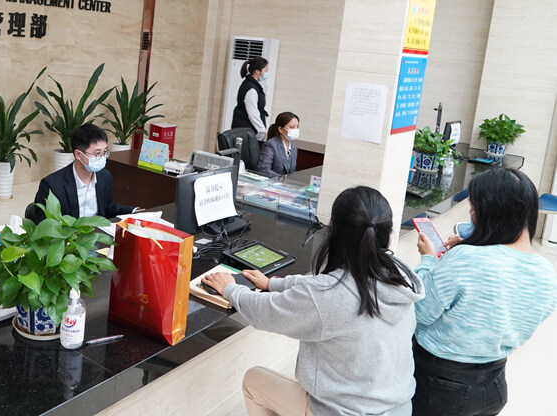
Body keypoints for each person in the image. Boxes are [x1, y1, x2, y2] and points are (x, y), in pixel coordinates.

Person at [203, 186, 423, 416]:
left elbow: (264, 313)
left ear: (333, 228)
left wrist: (230, 289)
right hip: (399, 409)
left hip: (342, 412)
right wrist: (273, 284)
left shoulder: (329, 294)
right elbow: (328, 285)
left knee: (254, 381)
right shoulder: (397, 274)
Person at [413, 168, 557, 416]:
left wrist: (428, 260)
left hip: (440, 384)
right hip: (494, 386)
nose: (472, 217)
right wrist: (469, 247)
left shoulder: (466, 258)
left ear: (493, 213)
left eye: (473, 210)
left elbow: (421, 312)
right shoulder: (547, 273)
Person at [33, 123, 136, 223]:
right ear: (78, 154)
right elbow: (45, 224)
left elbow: (109, 208)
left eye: (105, 152)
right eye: (97, 153)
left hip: (98, 231)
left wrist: (134, 211)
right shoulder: (52, 185)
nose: (102, 157)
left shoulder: (104, 176)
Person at [231, 57, 270, 141]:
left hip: (247, 129)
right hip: (245, 130)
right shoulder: (251, 89)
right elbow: (253, 113)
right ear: (257, 71)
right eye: (266, 70)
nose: (267, 73)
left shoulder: (253, 85)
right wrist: (262, 130)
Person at [257, 112, 299, 177]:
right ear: (280, 129)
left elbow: (292, 171)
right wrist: (282, 178)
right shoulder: (270, 145)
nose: (296, 130)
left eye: (297, 126)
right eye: (292, 127)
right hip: (272, 181)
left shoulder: (293, 147)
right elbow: (264, 169)